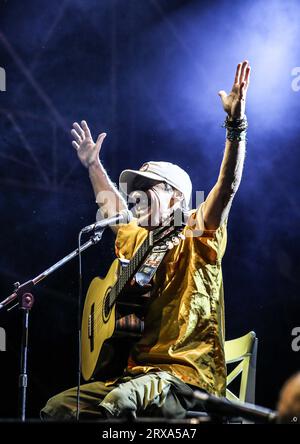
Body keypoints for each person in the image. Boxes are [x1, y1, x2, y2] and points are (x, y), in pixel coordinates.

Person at [41, 60, 251, 420]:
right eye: (133, 188)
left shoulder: (197, 231)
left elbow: (227, 186)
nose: (134, 195)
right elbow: (110, 207)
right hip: (134, 376)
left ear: (175, 197)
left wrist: (235, 126)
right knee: (58, 409)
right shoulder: (136, 235)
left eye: (145, 187)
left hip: (186, 378)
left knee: (120, 405)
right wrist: (93, 165)